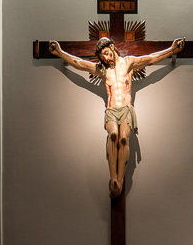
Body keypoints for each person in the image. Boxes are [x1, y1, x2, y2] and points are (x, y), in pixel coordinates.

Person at [48, 36, 185, 198]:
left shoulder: (128, 63)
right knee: (113, 135)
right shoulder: (102, 70)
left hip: (126, 109)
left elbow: (151, 59)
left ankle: (120, 180)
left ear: (112, 47)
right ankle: (113, 178)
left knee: (124, 139)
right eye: (103, 56)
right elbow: (79, 64)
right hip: (111, 110)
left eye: (107, 53)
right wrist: (60, 52)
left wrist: (172, 50)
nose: (106, 58)